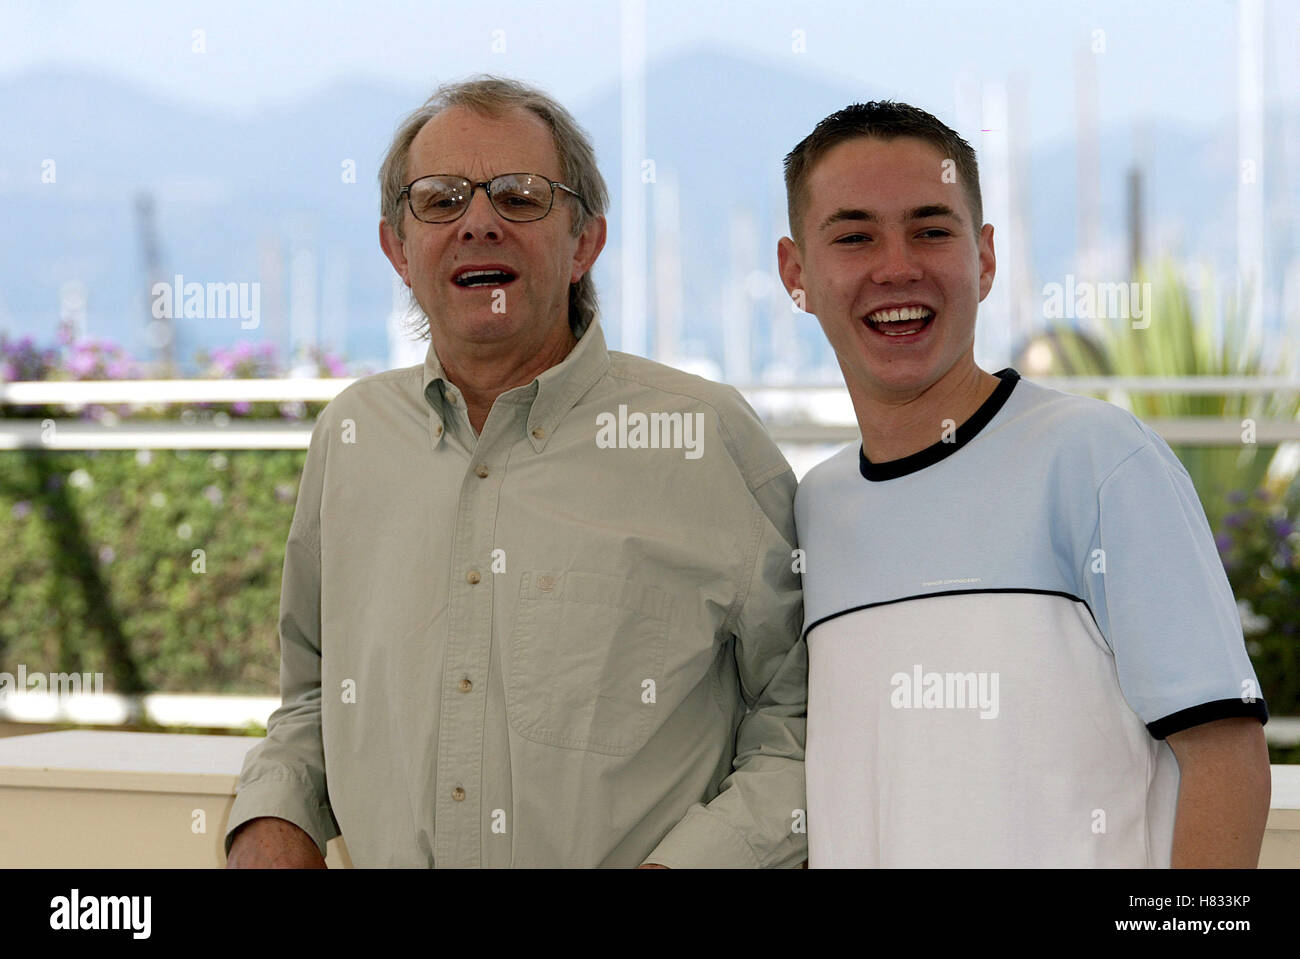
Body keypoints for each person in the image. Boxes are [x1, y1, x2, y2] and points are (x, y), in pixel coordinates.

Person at [223, 76, 807, 869]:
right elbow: (313, 698)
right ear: (398, 248)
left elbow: (804, 718)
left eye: (522, 196)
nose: (479, 222)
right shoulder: (352, 436)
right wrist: (273, 816)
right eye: (439, 199)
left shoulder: (704, 439)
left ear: (584, 242)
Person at [777, 100, 1271, 867]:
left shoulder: (1100, 461)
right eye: (854, 235)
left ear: (984, 257)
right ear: (796, 272)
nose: (897, 265)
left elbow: (1224, 755)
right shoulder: (815, 509)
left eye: (931, 229)